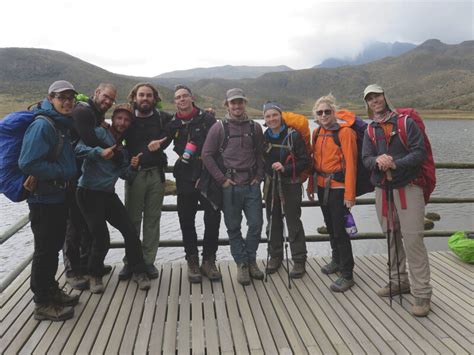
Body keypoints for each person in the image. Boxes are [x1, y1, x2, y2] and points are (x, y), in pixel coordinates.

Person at [362, 84, 432, 317]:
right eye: (370, 98)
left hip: (408, 188)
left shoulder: (405, 123)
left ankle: (422, 293)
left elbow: (419, 153)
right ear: (367, 103)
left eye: (377, 96)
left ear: (385, 97)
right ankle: (398, 281)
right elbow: (365, 158)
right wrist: (377, 161)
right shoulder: (370, 130)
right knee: (391, 237)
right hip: (383, 189)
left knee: (413, 240)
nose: (375, 100)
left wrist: (395, 163)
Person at [19, 80, 79, 321]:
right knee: (45, 251)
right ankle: (42, 303)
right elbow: (27, 162)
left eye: (70, 98)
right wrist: (61, 171)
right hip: (43, 200)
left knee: (52, 248)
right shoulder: (43, 125)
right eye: (61, 97)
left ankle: (51, 290)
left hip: (56, 197)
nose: (66, 102)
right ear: (50, 98)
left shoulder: (59, 124)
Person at [75, 103, 151, 293]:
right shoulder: (100, 134)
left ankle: (139, 272)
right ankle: (95, 275)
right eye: (119, 118)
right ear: (113, 119)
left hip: (108, 195)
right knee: (101, 239)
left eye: (126, 120)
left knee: (131, 233)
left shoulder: (123, 150)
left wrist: (133, 166)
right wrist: (100, 152)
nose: (122, 122)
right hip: (88, 193)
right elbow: (77, 149)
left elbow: (126, 175)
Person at [202, 88, 265, 286]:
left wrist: (259, 177)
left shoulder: (255, 128)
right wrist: (222, 180)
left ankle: (251, 259)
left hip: (252, 185)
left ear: (245, 103)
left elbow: (260, 154)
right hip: (230, 186)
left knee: (255, 225)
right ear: (227, 105)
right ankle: (242, 264)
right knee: (233, 227)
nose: (237, 106)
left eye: (240, 102)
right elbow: (206, 155)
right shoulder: (219, 128)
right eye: (233, 103)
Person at [163, 85, 221, 283]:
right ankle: (192, 261)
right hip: (185, 175)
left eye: (184, 96)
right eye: (178, 97)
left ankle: (209, 260)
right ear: (175, 102)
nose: (181, 99)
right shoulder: (172, 123)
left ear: (191, 97)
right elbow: (161, 141)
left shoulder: (208, 118)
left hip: (208, 174)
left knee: (212, 218)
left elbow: (220, 144)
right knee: (186, 219)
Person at [64, 83, 118, 290]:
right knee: (73, 225)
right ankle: (72, 271)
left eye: (111, 99)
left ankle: (86, 266)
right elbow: (89, 139)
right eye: (105, 96)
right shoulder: (83, 110)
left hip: (83, 175)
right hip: (72, 174)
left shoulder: (93, 113)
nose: (108, 101)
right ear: (96, 92)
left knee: (86, 224)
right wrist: (115, 153)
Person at [120, 83, 172, 280]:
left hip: (156, 175)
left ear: (154, 99)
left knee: (152, 221)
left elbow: (176, 126)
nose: (145, 98)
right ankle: (130, 262)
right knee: (131, 221)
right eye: (141, 95)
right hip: (135, 175)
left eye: (149, 95)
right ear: (135, 97)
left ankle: (148, 262)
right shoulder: (127, 117)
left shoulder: (162, 118)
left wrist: (161, 140)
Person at [307, 94, 357, 292]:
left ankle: (347, 274)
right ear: (316, 116)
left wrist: (350, 195)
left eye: (327, 111)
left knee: (340, 230)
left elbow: (352, 165)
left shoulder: (345, 133)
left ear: (334, 112)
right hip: (321, 186)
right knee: (330, 226)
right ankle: (336, 260)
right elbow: (314, 163)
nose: (324, 115)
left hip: (338, 188)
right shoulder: (317, 132)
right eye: (320, 113)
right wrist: (311, 186)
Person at [262, 102, 310, 278]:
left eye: (274, 115)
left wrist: (285, 168)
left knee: (293, 221)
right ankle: (275, 257)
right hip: (270, 184)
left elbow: (305, 161)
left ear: (281, 116)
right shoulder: (264, 137)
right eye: (268, 116)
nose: (271, 119)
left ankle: (299, 260)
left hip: (290, 183)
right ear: (264, 119)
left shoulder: (293, 136)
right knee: (272, 220)